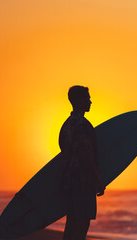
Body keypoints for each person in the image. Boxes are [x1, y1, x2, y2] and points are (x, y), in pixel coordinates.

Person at [59, 85, 105, 240]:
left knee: (71, 223)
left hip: (69, 182)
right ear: (79, 100)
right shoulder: (82, 125)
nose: (90, 102)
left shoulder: (66, 125)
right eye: (88, 98)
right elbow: (85, 155)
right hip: (83, 182)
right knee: (82, 224)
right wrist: (97, 180)